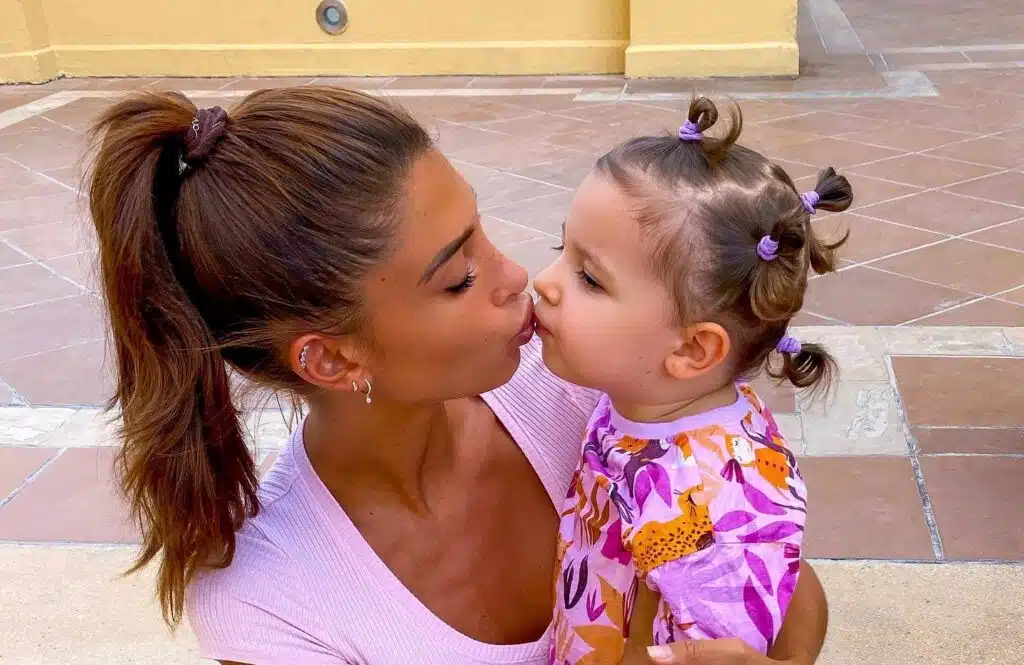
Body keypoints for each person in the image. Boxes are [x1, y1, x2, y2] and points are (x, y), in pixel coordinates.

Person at [85, 86, 829, 665]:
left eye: (483, 234)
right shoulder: (273, 601)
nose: (521, 279)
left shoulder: (588, 380)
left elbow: (774, 576)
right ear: (333, 358)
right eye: (459, 277)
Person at [531, 97, 852, 665]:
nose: (544, 282)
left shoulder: (706, 506)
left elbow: (730, 645)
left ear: (691, 349)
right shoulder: (648, 400)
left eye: (590, 278)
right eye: (563, 250)